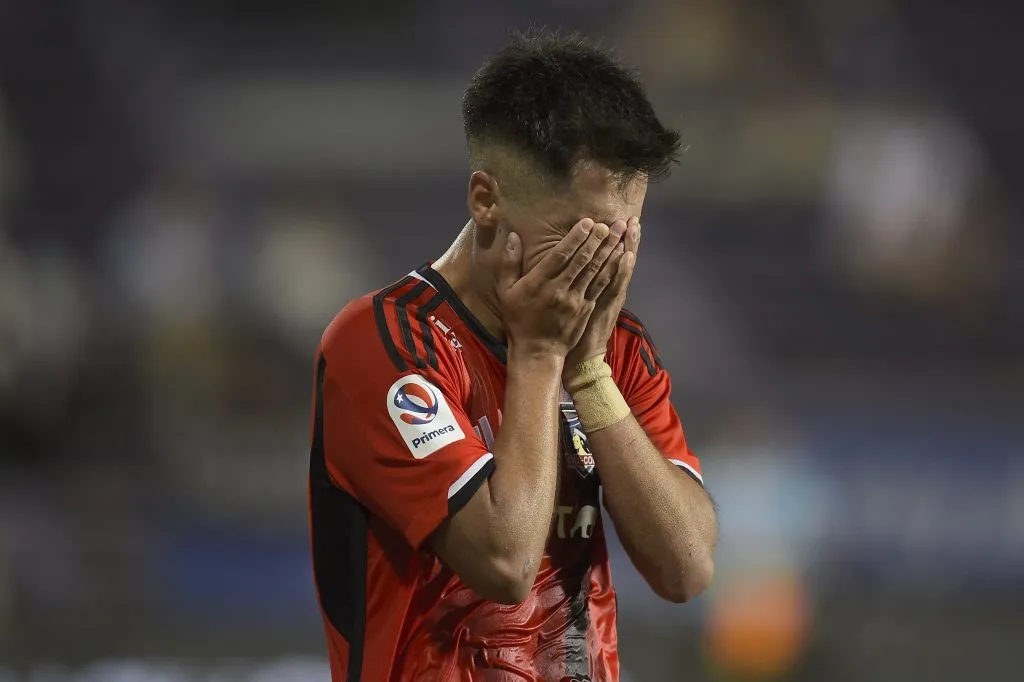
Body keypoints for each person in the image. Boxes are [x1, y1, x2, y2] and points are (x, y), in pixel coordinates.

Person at [308, 30, 718, 682]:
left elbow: (687, 569)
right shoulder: (383, 345)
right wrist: (538, 356)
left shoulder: (615, 349)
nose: (602, 267)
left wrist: (588, 374)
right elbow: (503, 563)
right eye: (577, 237)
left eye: (621, 238)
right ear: (486, 199)